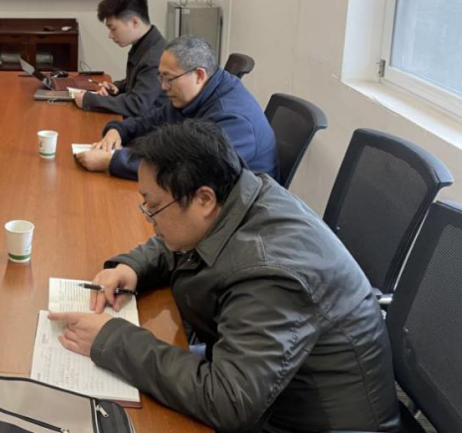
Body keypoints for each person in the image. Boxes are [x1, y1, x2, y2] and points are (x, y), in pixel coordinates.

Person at [51, 121, 399, 433]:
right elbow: (190, 239)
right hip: (271, 388)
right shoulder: (240, 194)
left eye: (154, 207)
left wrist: (111, 339)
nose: (149, 218)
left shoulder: (271, 275)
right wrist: (131, 267)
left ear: (203, 199)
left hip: (310, 420)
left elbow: (229, 401)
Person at [77, 35, 278, 181]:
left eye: (169, 78)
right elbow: (151, 120)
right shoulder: (196, 94)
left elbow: (189, 172)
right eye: (161, 77)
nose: (163, 87)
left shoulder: (232, 118)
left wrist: (112, 161)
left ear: (199, 75)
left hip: (238, 213)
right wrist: (118, 130)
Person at [71, 0, 166, 116]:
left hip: (151, 125)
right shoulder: (147, 43)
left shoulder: (154, 58)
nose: (110, 35)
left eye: (113, 28)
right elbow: (139, 80)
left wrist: (89, 100)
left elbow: (138, 104)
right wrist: (118, 87)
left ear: (134, 22)